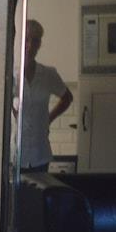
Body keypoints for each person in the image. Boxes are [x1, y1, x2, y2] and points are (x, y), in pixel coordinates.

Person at [18, 20, 73, 171]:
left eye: (35, 41)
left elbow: (67, 98)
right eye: (26, 39)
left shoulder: (48, 74)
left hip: (40, 154)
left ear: (39, 44)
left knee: (39, 186)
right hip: (17, 155)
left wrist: (48, 119)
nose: (30, 46)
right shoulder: (13, 76)